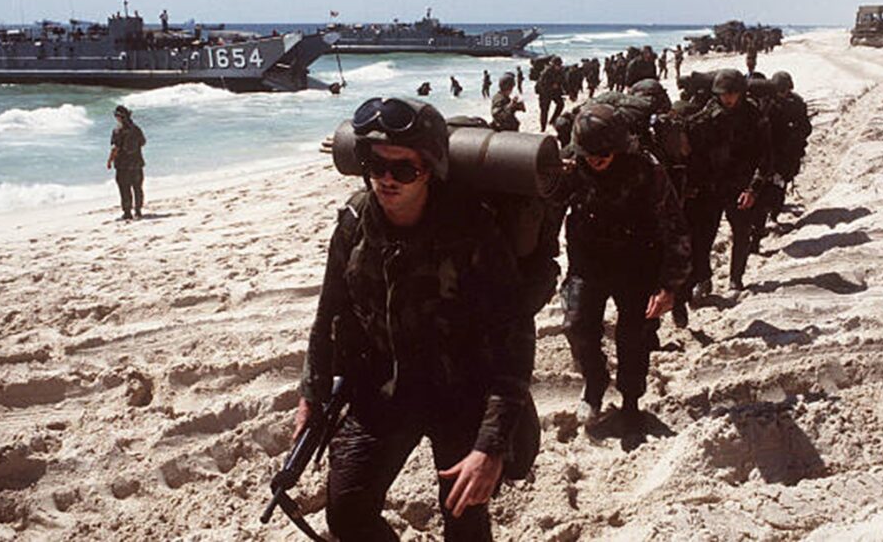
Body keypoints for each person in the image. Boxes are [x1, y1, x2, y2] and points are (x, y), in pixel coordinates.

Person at [295, 97, 534, 541]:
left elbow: (514, 340)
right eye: (375, 164)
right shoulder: (354, 221)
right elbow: (331, 311)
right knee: (347, 513)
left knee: (464, 517)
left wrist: (490, 445)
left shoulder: (472, 231)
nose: (386, 179)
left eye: (403, 170)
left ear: (430, 169)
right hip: (385, 388)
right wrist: (312, 392)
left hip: (463, 390)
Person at [554, 103, 690, 422]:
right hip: (588, 263)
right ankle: (595, 382)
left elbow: (675, 226)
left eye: (601, 155)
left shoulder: (645, 169)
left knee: (634, 336)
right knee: (576, 326)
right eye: (588, 155)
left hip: (636, 265)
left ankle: (631, 401)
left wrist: (669, 285)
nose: (594, 162)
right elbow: (548, 211)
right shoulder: (572, 165)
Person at [684, 69, 772, 299]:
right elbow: (694, 156)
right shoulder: (705, 117)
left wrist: (753, 189)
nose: (728, 98)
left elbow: (765, 158)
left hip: (740, 186)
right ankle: (703, 278)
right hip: (711, 187)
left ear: (741, 93)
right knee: (703, 236)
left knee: (742, 233)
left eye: (732, 93)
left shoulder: (754, 118)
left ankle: (736, 279)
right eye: (723, 94)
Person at [750, 71, 811, 253]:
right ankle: (756, 235)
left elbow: (805, 128)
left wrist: (794, 136)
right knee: (761, 197)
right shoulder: (765, 103)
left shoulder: (796, 104)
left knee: (778, 189)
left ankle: (773, 214)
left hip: (785, 156)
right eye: (780, 90)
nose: (782, 93)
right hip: (765, 155)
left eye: (785, 89)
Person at [106, 105, 146, 220]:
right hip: (137, 162)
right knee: (137, 187)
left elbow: (115, 148)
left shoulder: (117, 131)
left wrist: (109, 161)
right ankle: (138, 211)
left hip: (123, 165)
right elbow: (143, 142)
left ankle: (127, 212)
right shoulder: (136, 129)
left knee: (124, 188)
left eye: (116, 115)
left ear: (119, 117)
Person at [537, 56, 565, 131]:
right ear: (553, 65)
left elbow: (562, 81)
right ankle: (543, 127)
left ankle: (553, 120)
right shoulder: (546, 72)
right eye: (557, 65)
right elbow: (541, 85)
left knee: (561, 104)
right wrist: (551, 86)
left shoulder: (560, 71)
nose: (559, 67)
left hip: (554, 92)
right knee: (544, 110)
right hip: (544, 92)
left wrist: (563, 90)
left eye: (560, 65)